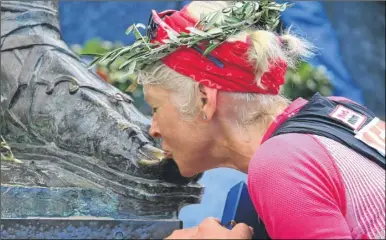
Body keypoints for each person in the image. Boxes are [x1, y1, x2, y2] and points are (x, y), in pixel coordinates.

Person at [97, 1, 386, 239]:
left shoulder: (280, 166)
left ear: (204, 99)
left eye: (155, 108)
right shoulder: (340, 113)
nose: (153, 129)